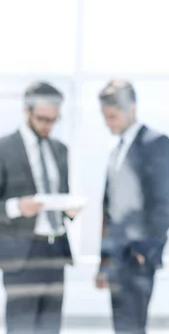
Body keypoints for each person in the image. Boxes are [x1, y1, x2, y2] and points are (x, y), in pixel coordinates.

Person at [94, 80, 169, 334]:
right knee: (121, 327)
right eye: (104, 117)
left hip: (138, 257)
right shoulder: (115, 152)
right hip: (116, 258)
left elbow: (168, 202)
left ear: (130, 108)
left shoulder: (156, 143)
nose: (108, 123)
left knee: (132, 327)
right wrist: (104, 261)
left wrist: (145, 249)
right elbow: (109, 209)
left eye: (112, 116)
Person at [0, 81, 79, 334]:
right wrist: (16, 207)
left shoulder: (60, 150)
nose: (48, 125)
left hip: (55, 251)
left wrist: (69, 210)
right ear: (26, 111)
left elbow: (62, 195)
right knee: (22, 327)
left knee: (50, 326)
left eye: (53, 120)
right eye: (42, 119)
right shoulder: (4, 149)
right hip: (22, 253)